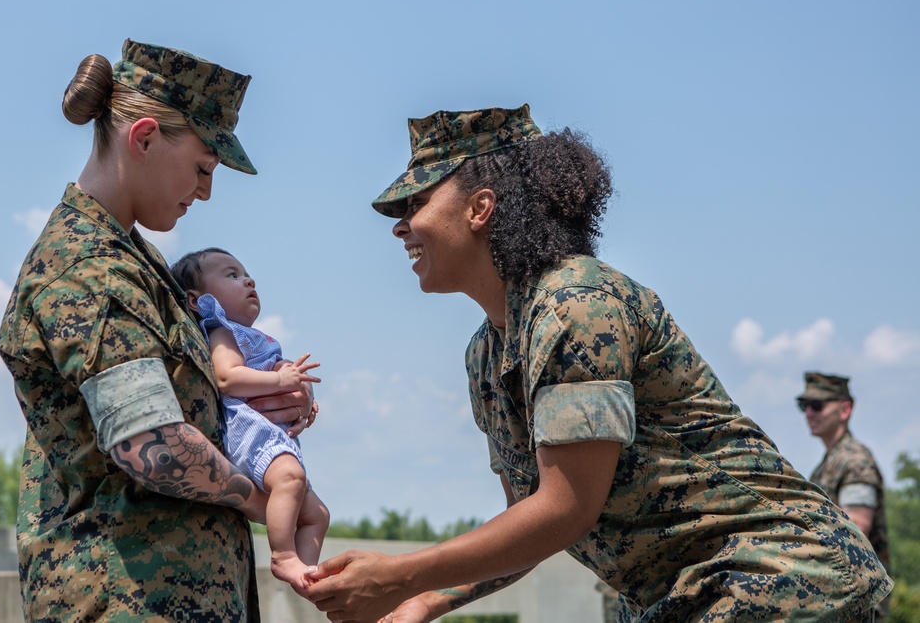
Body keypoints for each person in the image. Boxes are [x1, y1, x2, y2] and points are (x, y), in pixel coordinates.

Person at [306, 104, 893, 622]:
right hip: (689, 594)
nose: (400, 225)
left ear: (481, 208)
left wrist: (402, 574)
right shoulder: (487, 353)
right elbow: (531, 518)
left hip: (780, 574)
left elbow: (566, 509)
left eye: (418, 201)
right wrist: (427, 601)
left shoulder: (577, 303)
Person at [0, 38, 316, 622]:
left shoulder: (139, 264)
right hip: (123, 599)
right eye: (202, 168)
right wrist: (263, 499)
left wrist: (269, 400)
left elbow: (194, 408)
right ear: (143, 138)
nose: (206, 191)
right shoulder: (89, 266)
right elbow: (150, 444)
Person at [171, 247, 330, 595]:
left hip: (273, 437)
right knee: (290, 478)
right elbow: (227, 378)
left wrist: (303, 398)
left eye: (244, 273)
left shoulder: (253, 337)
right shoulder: (222, 331)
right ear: (198, 300)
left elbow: (274, 377)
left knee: (317, 514)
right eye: (231, 275)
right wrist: (280, 382)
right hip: (248, 432)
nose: (248, 279)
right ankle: (283, 555)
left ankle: (306, 576)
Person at [798, 371, 892, 620]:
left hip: (856, 602)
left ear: (845, 410)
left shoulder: (855, 460)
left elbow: (856, 529)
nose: (809, 413)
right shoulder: (829, 463)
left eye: (817, 405)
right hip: (835, 598)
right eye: (804, 405)